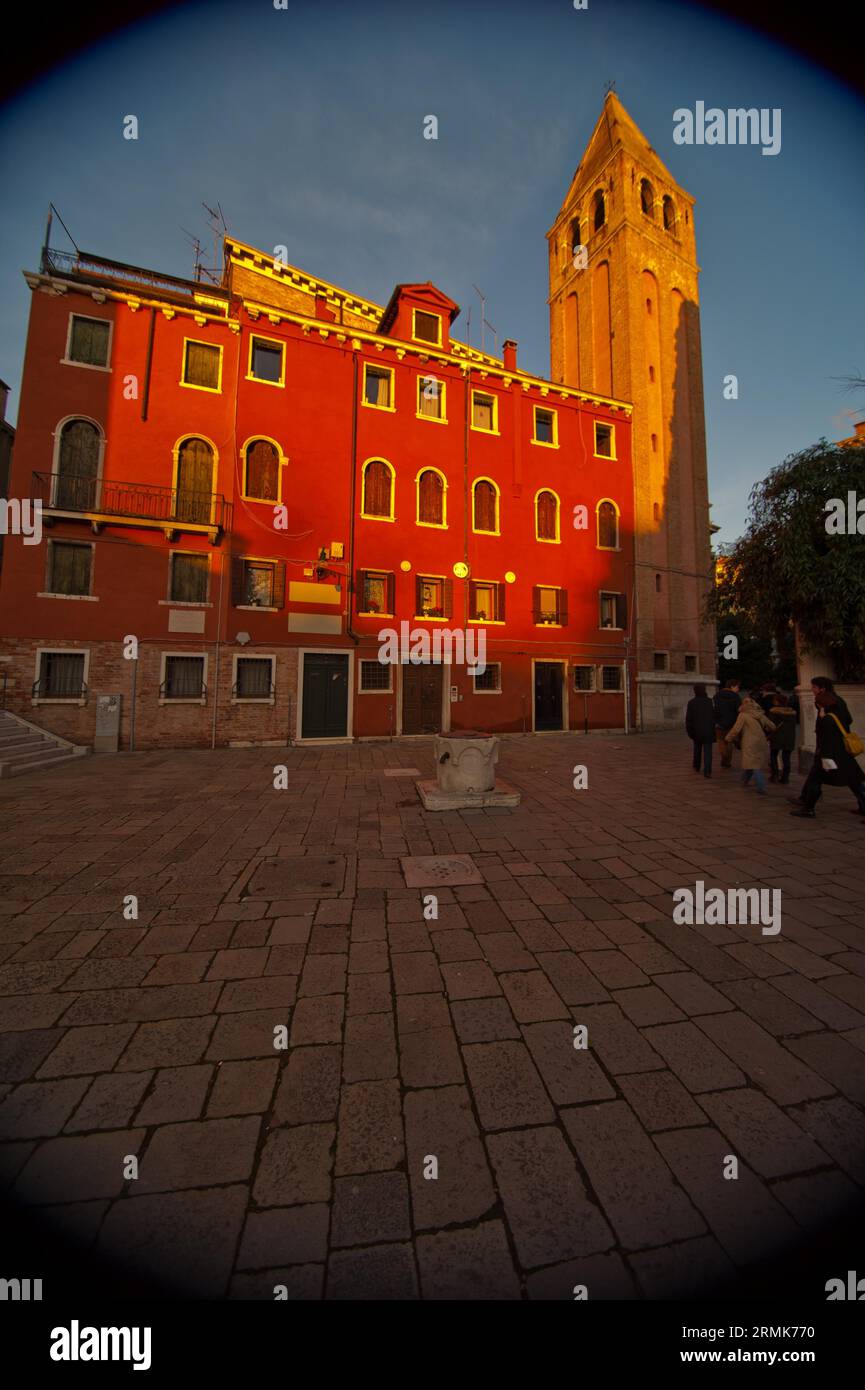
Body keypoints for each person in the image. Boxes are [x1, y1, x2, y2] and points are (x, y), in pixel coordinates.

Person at [790, 677, 865, 818]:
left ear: (822, 689)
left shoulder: (827, 713)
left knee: (816, 779)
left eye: (814, 687)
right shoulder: (839, 701)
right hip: (842, 749)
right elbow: (848, 719)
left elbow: (826, 736)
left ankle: (808, 808)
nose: (812, 690)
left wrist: (825, 755)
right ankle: (863, 806)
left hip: (829, 752)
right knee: (853, 779)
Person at [725, 695, 775, 794]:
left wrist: (728, 738)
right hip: (761, 741)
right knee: (752, 762)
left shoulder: (743, 715)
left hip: (749, 742)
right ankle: (744, 780)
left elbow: (736, 729)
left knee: (754, 765)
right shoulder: (760, 714)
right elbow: (772, 726)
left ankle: (761, 787)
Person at [685, 682, 715, 778]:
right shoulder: (710, 702)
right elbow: (714, 716)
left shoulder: (692, 702)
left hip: (696, 730)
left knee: (697, 749)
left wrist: (690, 731)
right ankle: (707, 771)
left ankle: (696, 766)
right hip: (708, 730)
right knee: (708, 751)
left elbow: (689, 719)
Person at [767, 694, 796, 783]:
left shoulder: (773, 712)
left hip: (777, 736)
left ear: (777, 701)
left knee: (773, 755)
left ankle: (775, 775)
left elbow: (770, 725)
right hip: (789, 737)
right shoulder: (792, 713)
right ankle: (785, 777)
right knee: (786, 757)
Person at [713, 678, 741, 769]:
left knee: (721, 741)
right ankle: (727, 761)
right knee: (729, 742)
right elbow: (738, 711)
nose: (738, 689)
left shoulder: (717, 695)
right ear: (732, 686)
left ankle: (724, 756)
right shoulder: (736, 697)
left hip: (719, 723)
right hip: (731, 723)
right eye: (737, 687)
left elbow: (714, 709)